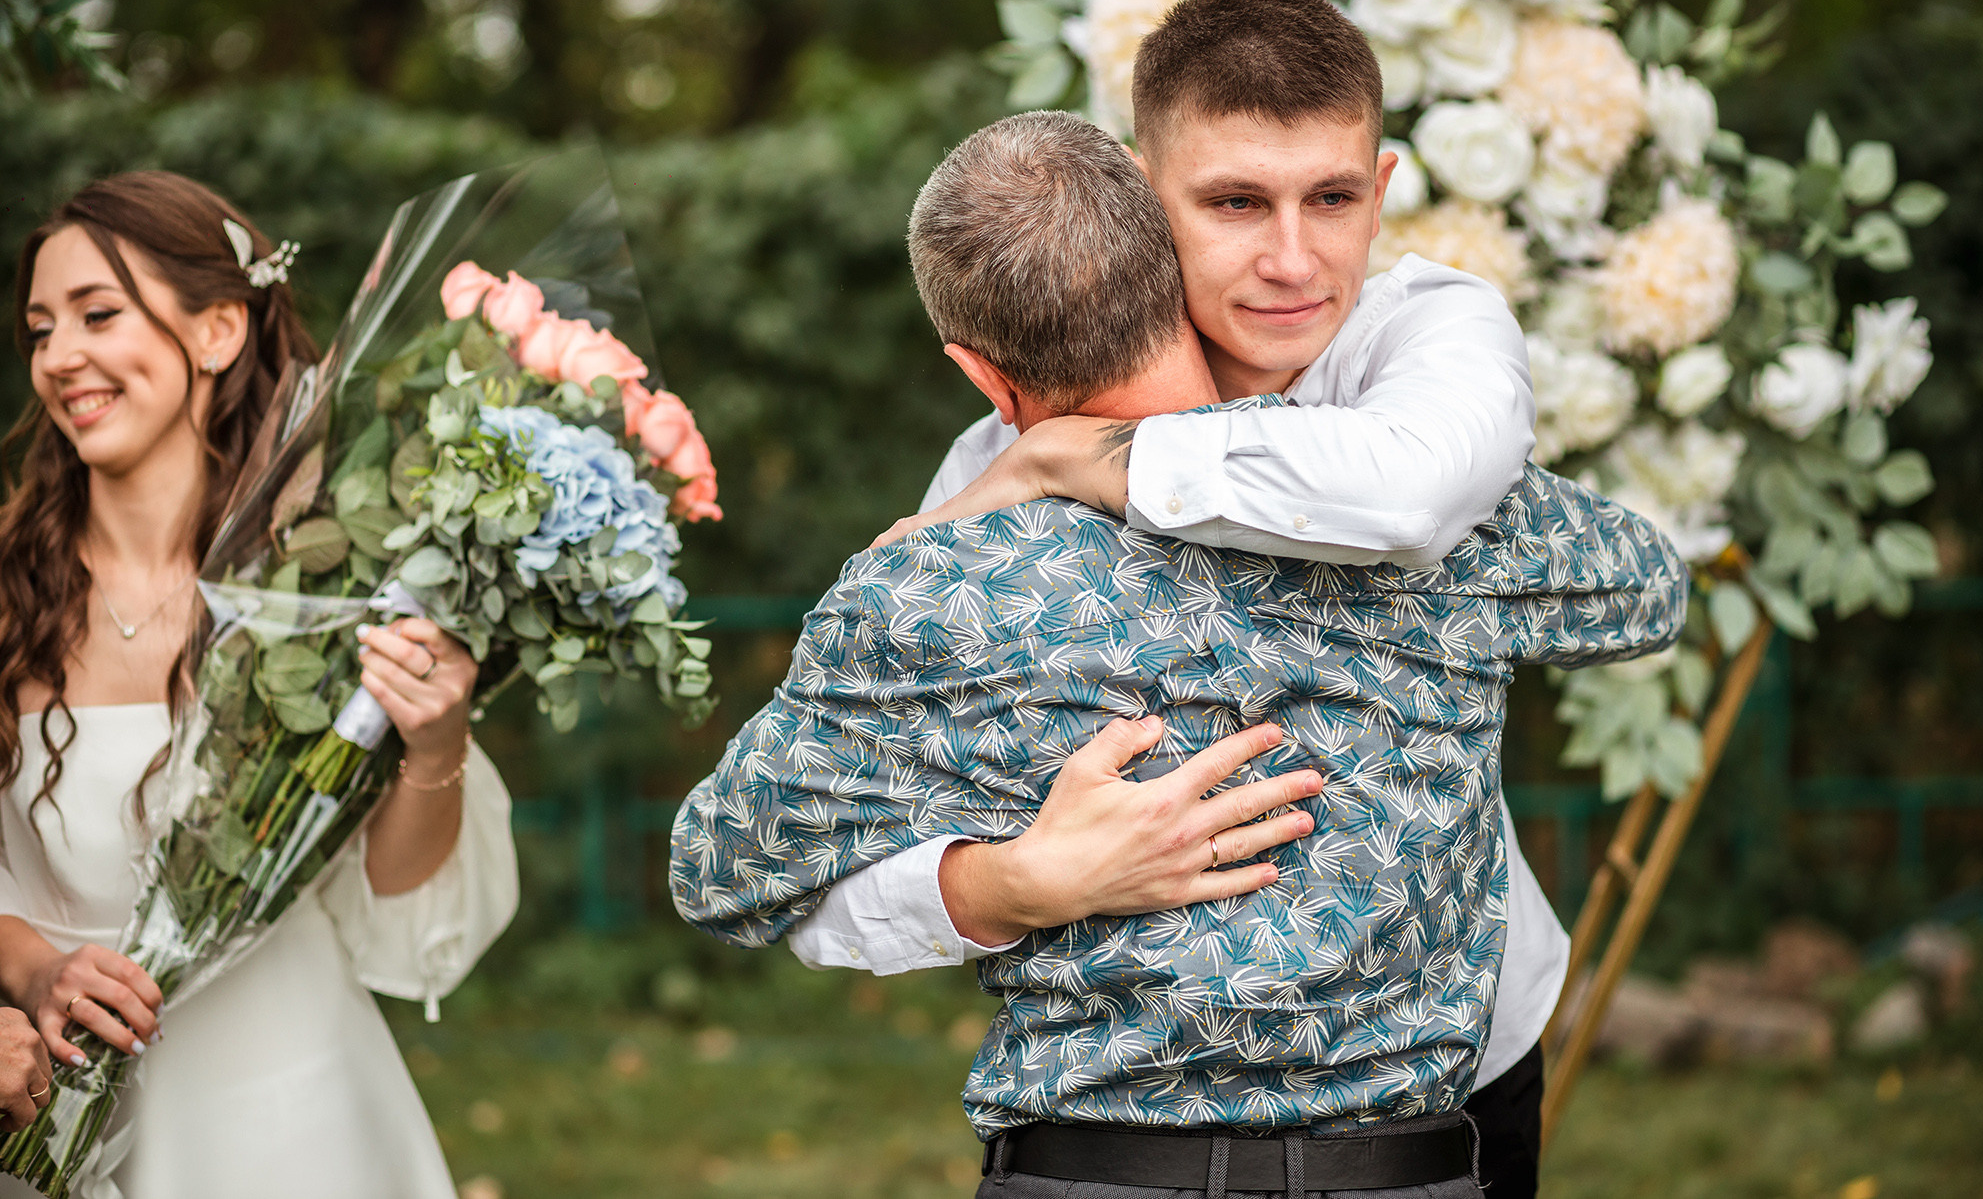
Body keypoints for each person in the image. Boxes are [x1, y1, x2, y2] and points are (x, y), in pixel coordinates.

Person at [671, 109, 1687, 1198]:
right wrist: (1013, 881)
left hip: (1088, 1169)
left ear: (977, 371)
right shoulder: (1428, 512)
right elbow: (1641, 588)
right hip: (1405, 1168)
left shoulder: (924, 587)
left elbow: (720, 870)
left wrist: (1007, 889)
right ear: (1174, 263)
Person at [793, 0, 1555, 1194]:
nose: (1293, 258)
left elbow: (1411, 492)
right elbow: (814, 868)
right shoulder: (994, 462)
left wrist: (1082, 459)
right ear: (1145, 202)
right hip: (1127, 1125)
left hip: (1446, 1079)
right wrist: (1010, 881)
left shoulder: (1427, 333)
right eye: (1236, 202)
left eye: (1333, 198)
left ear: (1384, 187)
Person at [0, 172, 518, 1198]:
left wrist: (437, 740)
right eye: (39, 328)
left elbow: (391, 907)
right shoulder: (10, 592)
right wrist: (29, 970)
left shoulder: (328, 577)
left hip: (296, 1115)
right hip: (52, 1110)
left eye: (98, 315)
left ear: (219, 331)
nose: (60, 358)